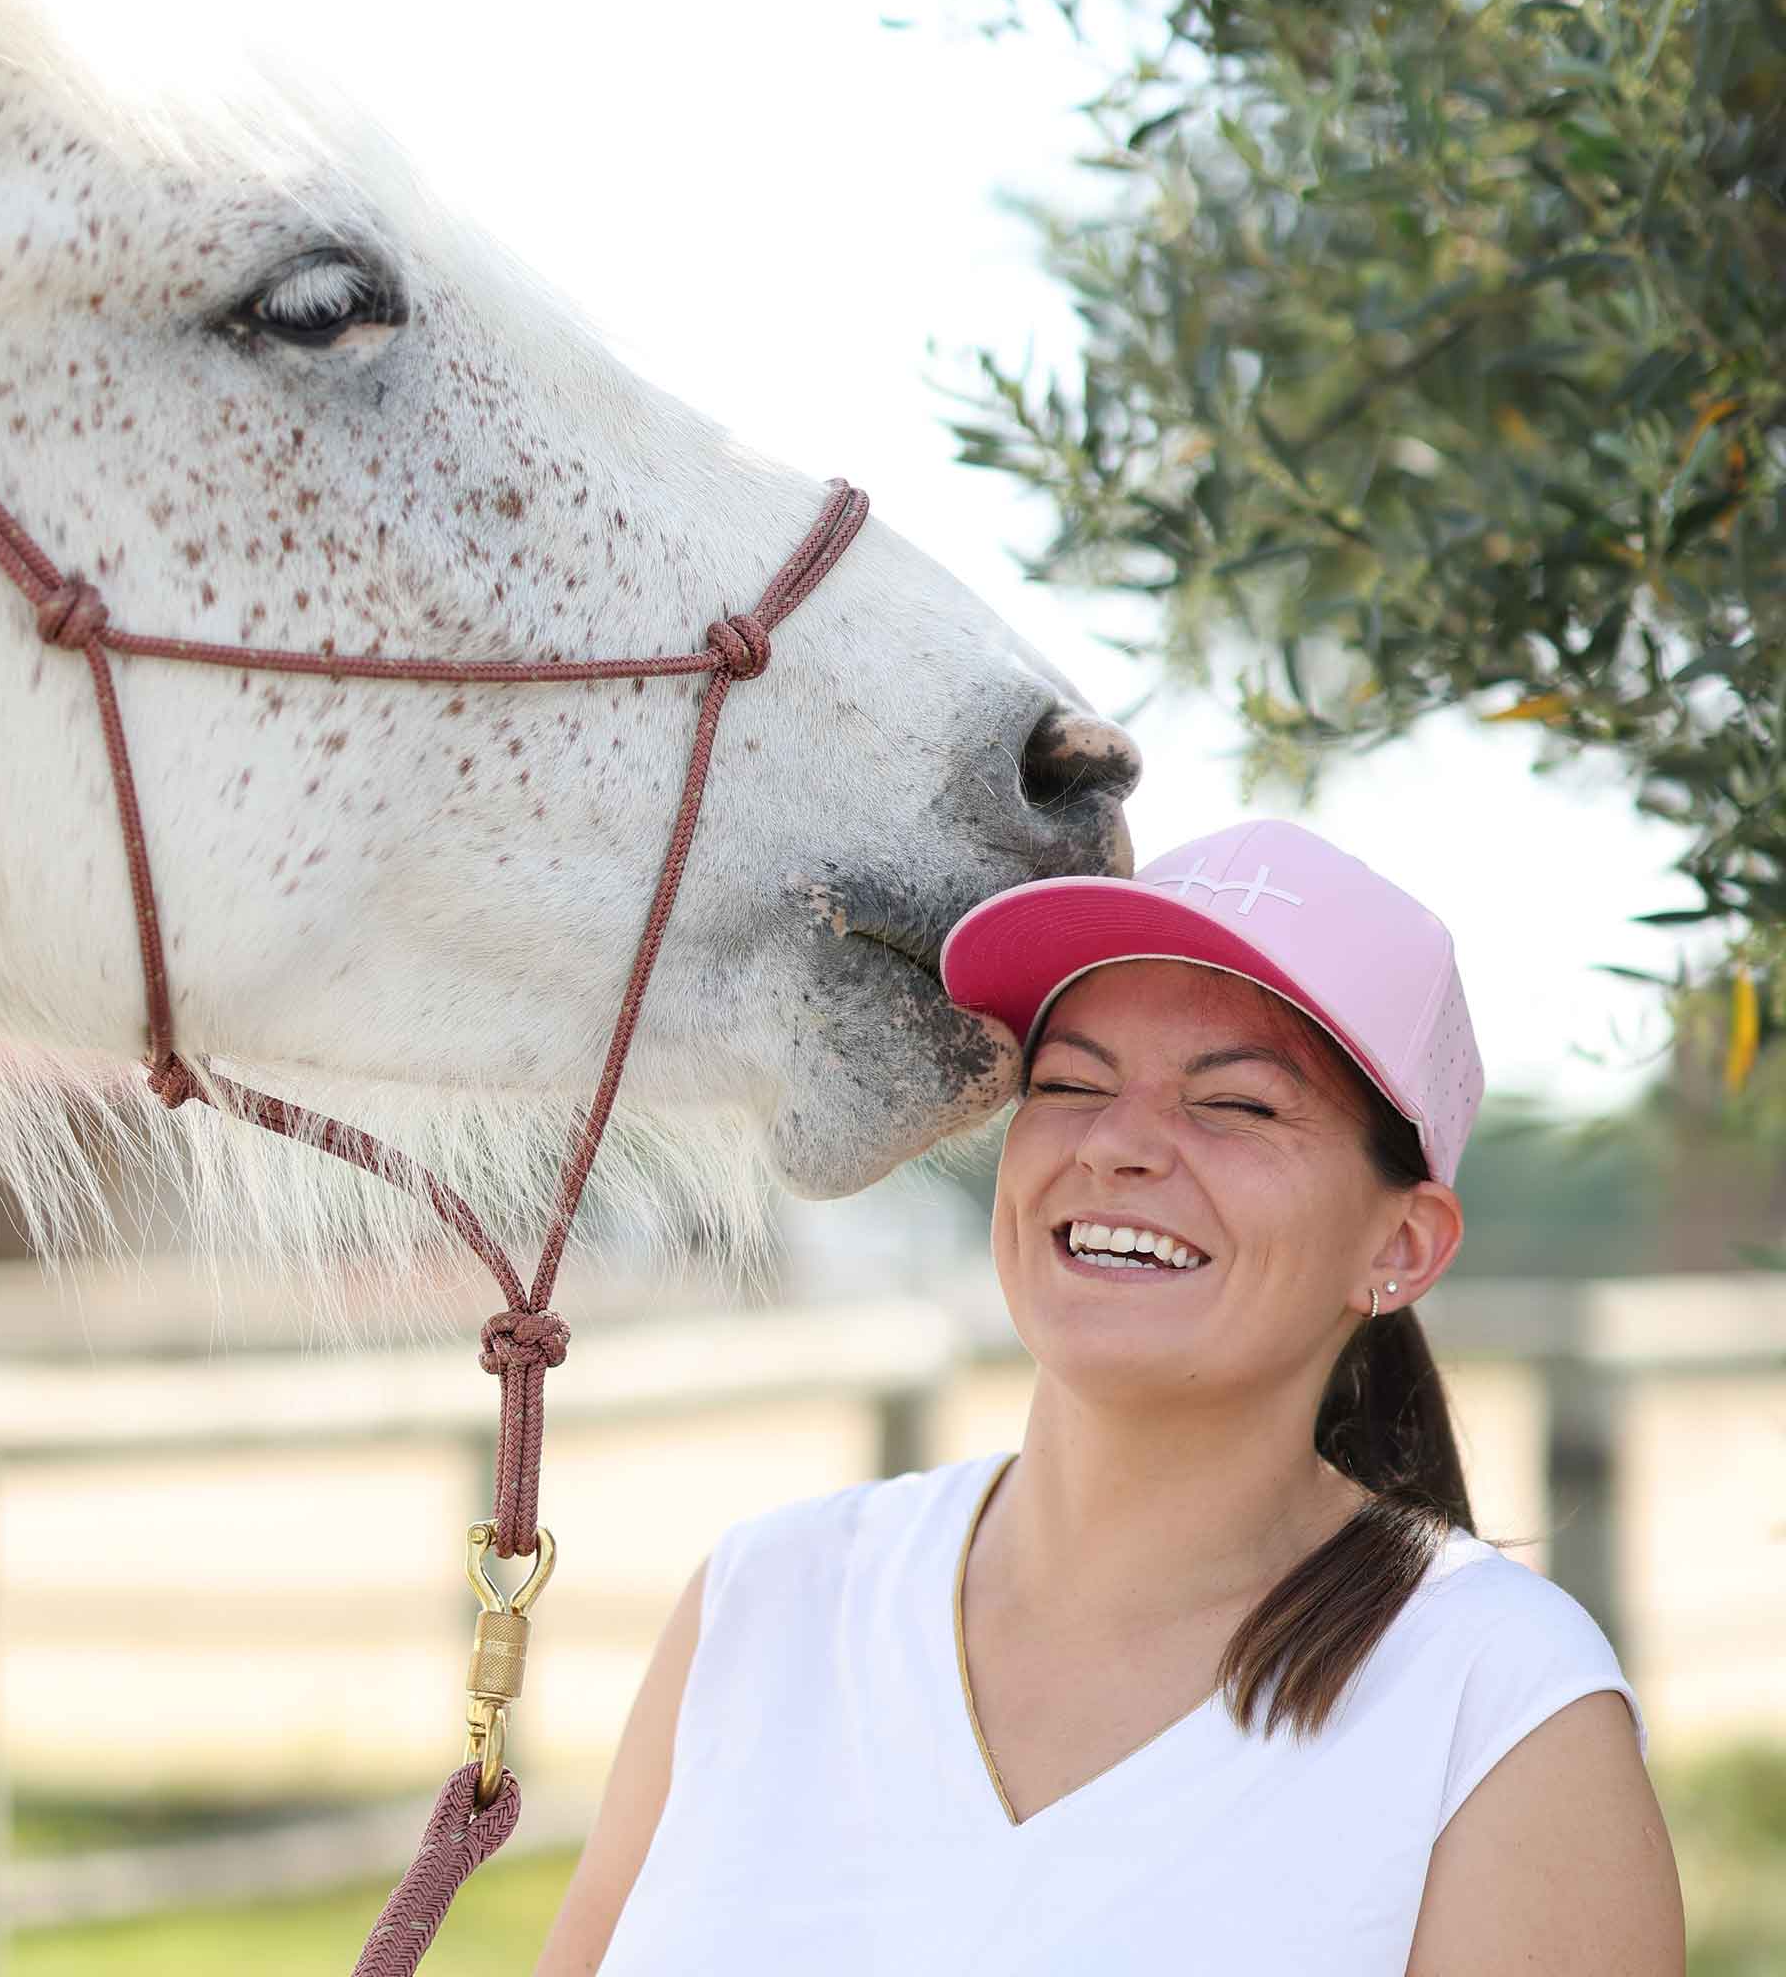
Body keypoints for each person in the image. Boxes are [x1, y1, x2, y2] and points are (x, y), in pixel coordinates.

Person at [536, 819, 1686, 1975]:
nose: (1117, 1143)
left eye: (1235, 1103)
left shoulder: (1497, 1704)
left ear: (1400, 1242)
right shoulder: (766, 1599)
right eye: (1068, 1080)